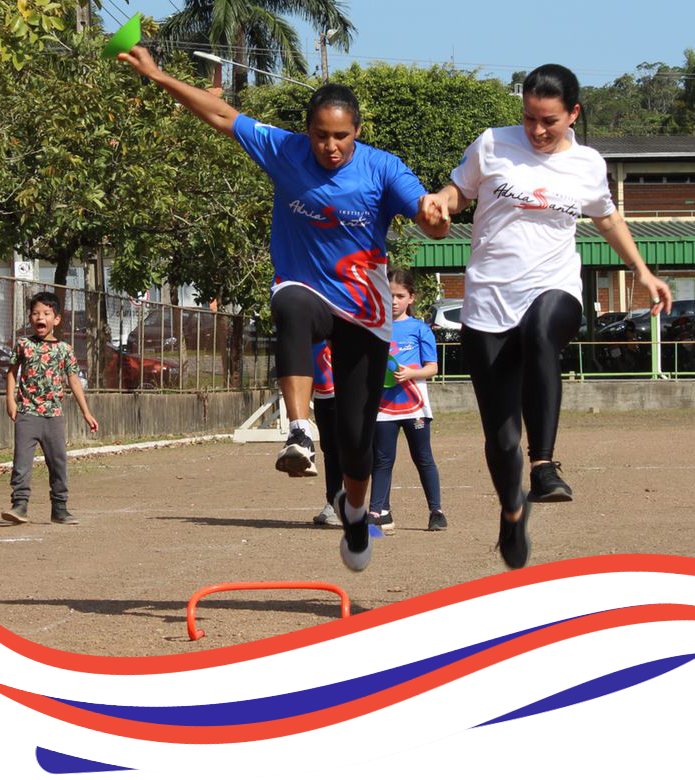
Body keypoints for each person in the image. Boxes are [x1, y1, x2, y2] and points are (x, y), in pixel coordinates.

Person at [118, 47, 448, 571]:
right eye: (321, 134)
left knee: (359, 443)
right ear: (308, 130)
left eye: (341, 135)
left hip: (364, 310)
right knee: (290, 306)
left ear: (356, 131)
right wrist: (158, 76)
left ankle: (356, 512)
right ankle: (298, 430)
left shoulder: (383, 168)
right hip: (307, 287)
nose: (330, 146)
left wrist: (435, 216)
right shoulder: (284, 150)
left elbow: (428, 213)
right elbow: (220, 113)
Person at [419, 64, 672, 570]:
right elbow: (457, 193)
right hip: (488, 303)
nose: (537, 130)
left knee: (542, 329)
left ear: (573, 113)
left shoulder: (587, 164)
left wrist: (641, 271)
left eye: (549, 121)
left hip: (553, 284)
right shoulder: (492, 144)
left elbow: (606, 216)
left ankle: (545, 466)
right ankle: (512, 513)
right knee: (501, 438)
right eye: (530, 118)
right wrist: (437, 206)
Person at [2, 292, 99, 527]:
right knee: (22, 462)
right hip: (27, 413)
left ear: (56, 319)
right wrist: (10, 400)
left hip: (54, 416)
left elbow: (74, 380)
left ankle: (59, 508)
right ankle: (20, 505)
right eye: (35, 313)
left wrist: (86, 412)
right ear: (30, 318)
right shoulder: (24, 345)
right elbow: (12, 373)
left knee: (58, 462)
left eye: (46, 313)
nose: (40, 317)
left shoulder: (64, 349)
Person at [367, 269, 447, 533]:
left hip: (415, 406)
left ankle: (436, 511)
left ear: (411, 298)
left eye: (400, 296)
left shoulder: (420, 328)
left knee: (423, 457)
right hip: (384, 408)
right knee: (382, 460)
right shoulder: (375, 328)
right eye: (389, 295)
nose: (393, 301)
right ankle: (377, 513)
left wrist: (411, 373)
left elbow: (432, 367)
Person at [311, 340, 342, 527]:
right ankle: (333, 504)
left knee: (345, 451)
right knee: (330, 452)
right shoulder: (311, 335)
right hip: (322, 399)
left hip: (342, 397)